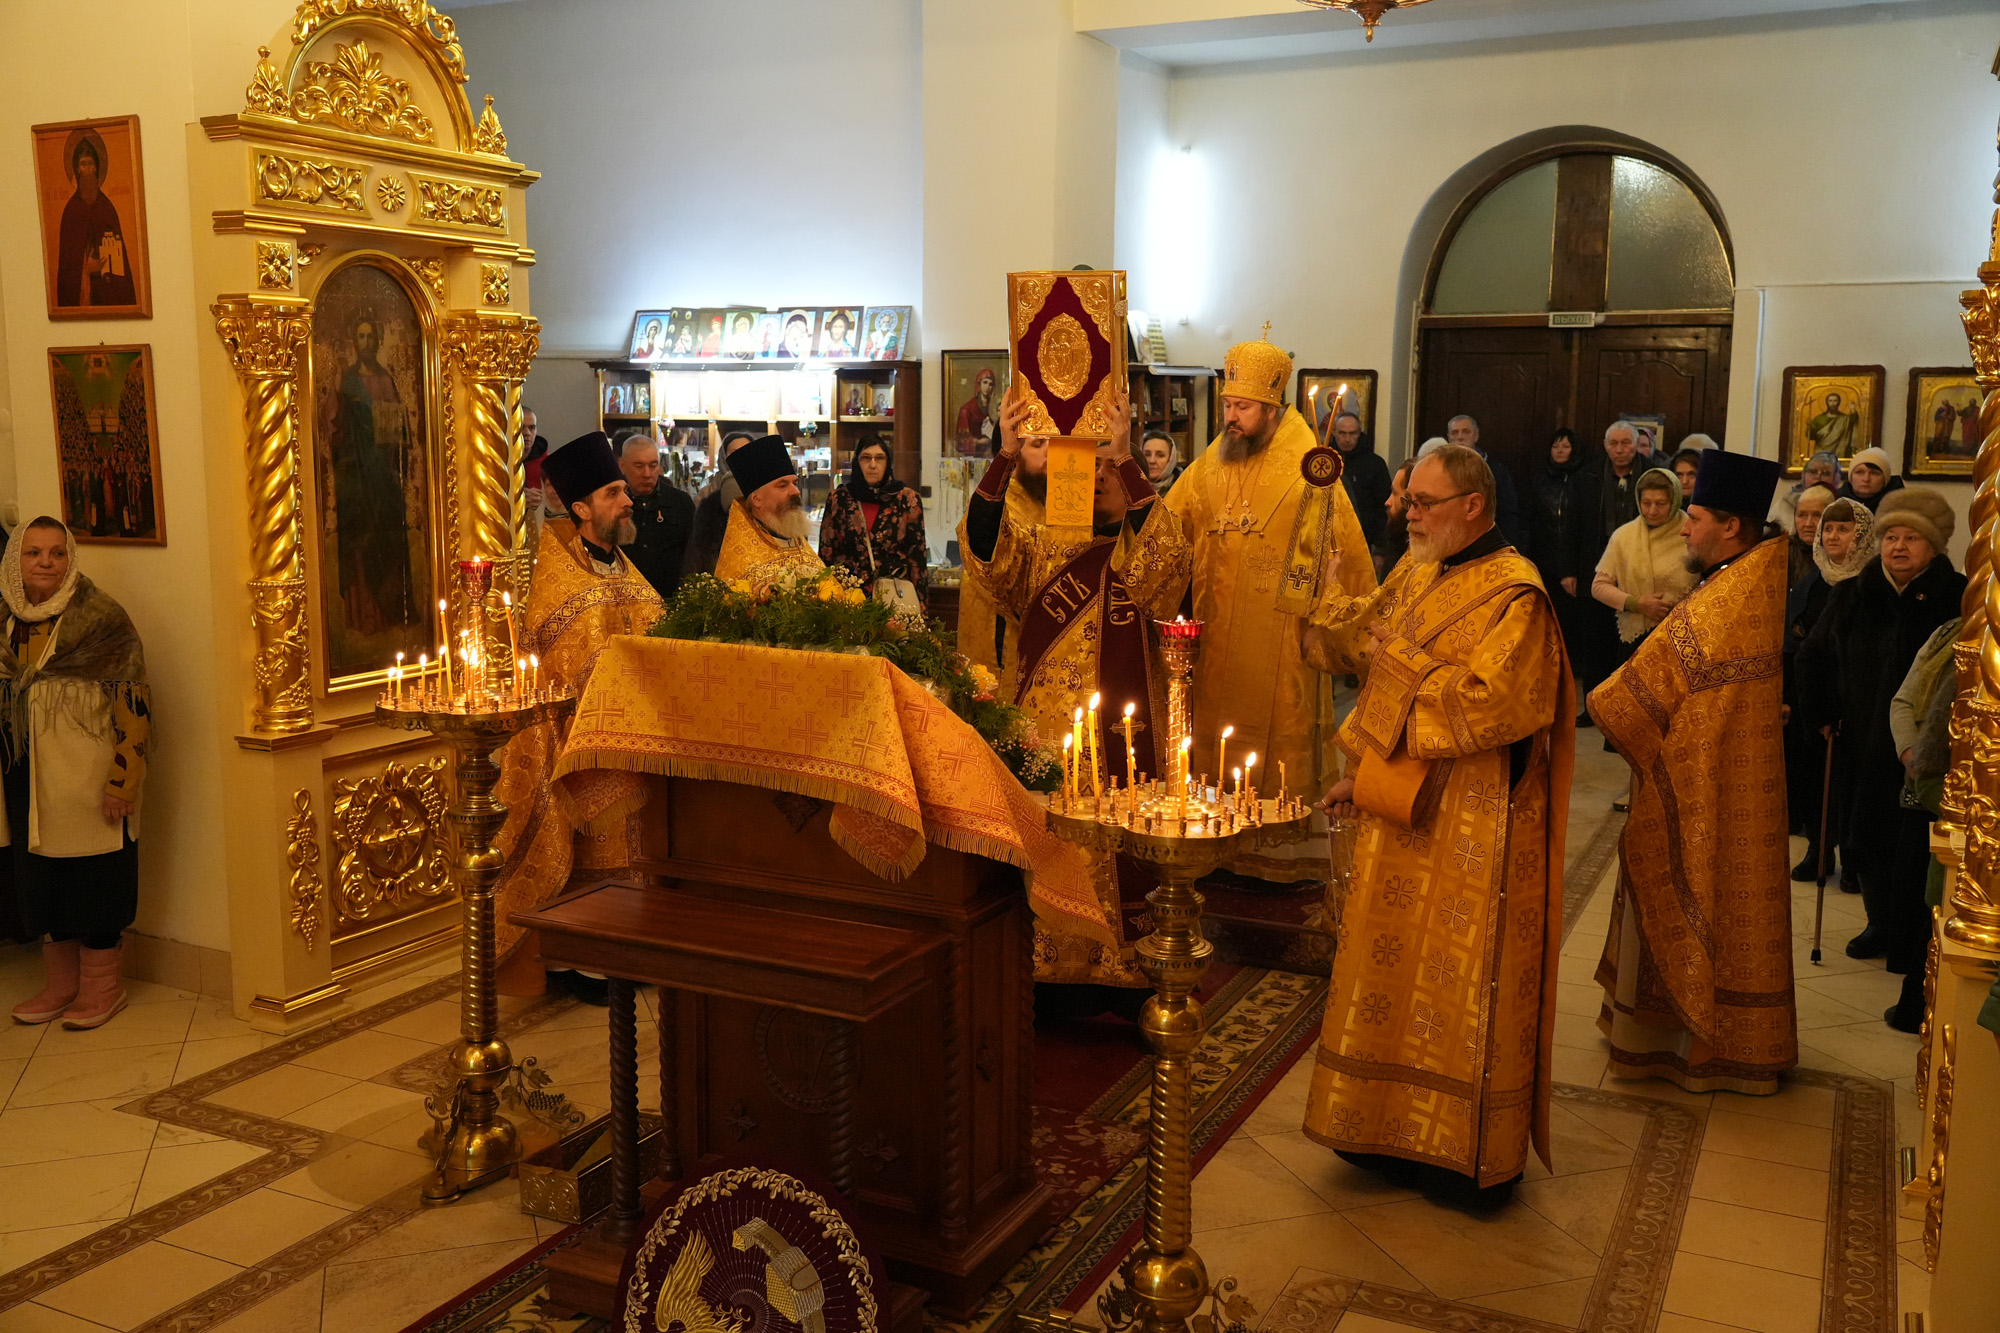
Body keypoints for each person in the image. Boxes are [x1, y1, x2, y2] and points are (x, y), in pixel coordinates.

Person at [1300, 444, 1572, 1198]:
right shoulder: (1419, 567)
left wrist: (1401, 667)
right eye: (1406, 499)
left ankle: (1460, 1155)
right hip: (1400, 809)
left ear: (1473, 505)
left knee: (1460, 988)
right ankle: (1379, 1128)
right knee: (1389, 969)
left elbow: (1499, 704)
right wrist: (1315, 597)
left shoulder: (1517, 594)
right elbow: (1365, 641)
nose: (1407, 512)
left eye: (1423, 501)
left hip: (1476, 828)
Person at [963, 387, 1189, 988]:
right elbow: (987, 552)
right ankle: (1044, 958)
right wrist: (1004, 456)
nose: (1093, 481)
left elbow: (1167, 564)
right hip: (1044, 734)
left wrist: (1126, 457)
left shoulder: (1141, 550)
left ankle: (1116, 959)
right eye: (1086, 470)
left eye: (1105, 472)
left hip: (1126, 725)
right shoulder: (1042, 547)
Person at [1589, 449, 1797, 1093]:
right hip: (1714, 775)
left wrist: (1598, 702)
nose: (1683, 526)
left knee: (1708, 887)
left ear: (1732, 527)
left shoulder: (1730, 594)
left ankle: (1701, 1044)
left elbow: (1633, 693)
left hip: (1711, 786)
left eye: (1697, 516)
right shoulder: (1746, 578)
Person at [1158, 334, 1376, 883]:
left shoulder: (1313, 467)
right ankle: (1218, 843)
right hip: (1214, 639)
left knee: (1276, 730)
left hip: (1280, 638)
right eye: (1228, 405)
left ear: (1273, 408)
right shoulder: (1212, 462)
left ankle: (1278, 856)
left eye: (1243, 408)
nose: (1231, 417)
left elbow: (1345, 553)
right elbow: (1166, 529)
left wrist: (1338, 623)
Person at [493, 433, 665, 1000]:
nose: (628, 500)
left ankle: (621, 952)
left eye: (625, 490)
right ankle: (575, 959)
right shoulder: (557, 577)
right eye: (614, 491)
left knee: (633, 854)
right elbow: (562, 660)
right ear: (582, 508)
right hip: (576, 741)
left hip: (636, 740)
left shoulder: (624, 568)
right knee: (590, 848)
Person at [1798, 487, 1963, 1002]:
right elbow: (1813, 656)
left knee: (1912, 845)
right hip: (1862, 738)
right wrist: (1824, 714)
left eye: (1911, 538)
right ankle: (1877, 923)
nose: (1898, 547)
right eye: (1891, 536)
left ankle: (1910, 933)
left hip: (1924, 746)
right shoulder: (1855, 590)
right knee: (1864, 834)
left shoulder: (1955, 594)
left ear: (1932, 548)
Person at [1, 520, 148, 1029]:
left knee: (96, 880)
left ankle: (103, 990)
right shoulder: (3, 620)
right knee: (41, 879)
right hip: (27, 777)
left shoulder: (103, 620)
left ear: (71, 561)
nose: (45, 562)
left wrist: (122, 783)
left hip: (88, 779)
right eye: (33, 552)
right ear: (14, 561)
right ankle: (61, 986)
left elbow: (134, 708)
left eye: (57, 554)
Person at [957, 406, 1047, 694]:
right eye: (1038, 444)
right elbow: (984, 540)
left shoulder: (1045, 504)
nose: (1051, 451)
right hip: (1000, 654)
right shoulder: (1001, 505)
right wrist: (1005, 455)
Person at [1782, 486, 1846, 881]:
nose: (1812, 526)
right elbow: (1794, 637)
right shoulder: (1811, 577)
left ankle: (1853, 858)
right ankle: (1817, 850)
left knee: (1845, 782)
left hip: (1850, 692)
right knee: (1809, 775)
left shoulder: (1863, 577)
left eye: (1820, 518)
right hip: (1807, 687)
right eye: (1804, 516)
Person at [1571, 421, 1654, 695]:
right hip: (1595, 567)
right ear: (1606, 446)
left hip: (1639, 570)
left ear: (1636, 444)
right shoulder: (1587, 477)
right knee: (1595, 640)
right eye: (1614, 444)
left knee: (1632, 642)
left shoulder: (1652, 476)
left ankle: (1629, 699)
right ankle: (1594, 702)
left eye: (1626, 443)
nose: (1620, 449)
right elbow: (1572, 527)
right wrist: (1568, 571)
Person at [1591, 468, 1695, 668]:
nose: (1652, 511)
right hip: (1636, 640)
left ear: (1674, 502)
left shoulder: (1690, 533)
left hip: (1682, 638)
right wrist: (1636, 603)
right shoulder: (1624, 537)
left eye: (1661, 504)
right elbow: (1598, 586)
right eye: (1646, 503)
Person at [819, 435, 928, 605]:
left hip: (893, 601)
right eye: (865, 458)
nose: (872, 465)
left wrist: (922, 610)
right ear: (856, 462)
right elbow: (826, 555)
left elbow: (917, 560)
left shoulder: (907, 500)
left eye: (879, 458)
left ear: (887, 462)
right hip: (848, 601)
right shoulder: (838, 499)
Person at [1527, 429, 1592, 707]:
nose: (1560, 450)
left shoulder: (1585, 479)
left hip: (1575, 560)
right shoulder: (1540, 479)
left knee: (1574, 618)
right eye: (1556, 446)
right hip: (1544, 556)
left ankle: (1574, 667)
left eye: (1566, 446)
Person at [714, 435, 825, 589]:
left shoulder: (796, 539)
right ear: (756, 499)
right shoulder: (742, 559)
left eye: (795, 483)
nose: (795, 491)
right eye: (782, 485)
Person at [55, 137, 137, 309]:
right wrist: (85, 269)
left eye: (91, 164)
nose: (87, 169)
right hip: (84, 294)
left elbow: (120, 259)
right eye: (83, 164)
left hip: (108, 290)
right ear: (76, 169)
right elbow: (67, 266)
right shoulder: (71, 211)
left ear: (97, 168)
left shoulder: (106, 207)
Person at [614, 430, 695, 599]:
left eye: (653, 465)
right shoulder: (612, 505)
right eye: (639, 466)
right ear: (622, 465)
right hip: (624, 599)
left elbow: (693, 555)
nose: (647, 474)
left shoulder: (680, 502)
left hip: (671, 602)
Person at [682, 431, 757, 578]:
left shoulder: (763, 490)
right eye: (734, 453)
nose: (741, 457)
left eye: (747, 451)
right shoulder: (707, 495)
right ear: (724, 457)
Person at [1444, 415, 1524, 545]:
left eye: (1466, 431)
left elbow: (1508, 514)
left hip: (1487, 542)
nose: (1460, 437)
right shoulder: (1441, 470)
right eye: (1455, 433)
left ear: (1476, 436)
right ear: (1449, 438)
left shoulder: (1496, 471)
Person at [1327, 412, 1391, 565]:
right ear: (1334, 432)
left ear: (1359, 433)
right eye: (1342, 433)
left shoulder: (1374, 464)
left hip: (1363, 543)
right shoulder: (1324, 461)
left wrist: (1381, 550)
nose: (1347, 439)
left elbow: (1383, 508)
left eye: (1352, 433)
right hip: (1329, 542)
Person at [1771, 450, 1839, 535]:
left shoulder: (1841, 507)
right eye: (1812, 472)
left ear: (1836, 479)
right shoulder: (1785, 503)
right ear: (1803, 475)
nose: (1818, 477)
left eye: (1825, 473)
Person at [1839, 446, 1903, 513]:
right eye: (1859, 472)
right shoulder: (1836, 503)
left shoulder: (1898, 507)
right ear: (1851, 477)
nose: (1866, 479)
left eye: (1874, 473)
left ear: (1884, 479)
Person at [1807, 391, 1862, 459]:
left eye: (1835, 401)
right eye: (1830, 401)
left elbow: (1853, 420)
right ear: (1826, 402)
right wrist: (1809, 427)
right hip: (1821, 452)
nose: (1833, 403)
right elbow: (1811, 436)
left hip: (1839, 452)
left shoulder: (1844, 418)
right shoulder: (1819, 419)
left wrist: (1853, 409)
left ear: (1839, 402)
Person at [956, 368, 999, 454]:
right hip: (975, 456)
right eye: (985, 382)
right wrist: (978, 442)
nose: (987, 387)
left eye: (991, 384)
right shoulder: (967, 409)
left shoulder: (997, 407)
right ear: (979, 384)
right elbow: (961, 440)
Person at [1140, 430, 1181, 497]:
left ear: (1171, 459)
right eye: (1147, 454)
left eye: (1160, 455)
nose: (1152, 461)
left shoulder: (1182, 489)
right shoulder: (1130, 488)